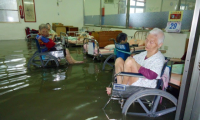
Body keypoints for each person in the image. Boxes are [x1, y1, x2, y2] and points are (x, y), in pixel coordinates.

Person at [107, 28, 165, 95]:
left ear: (159, 44)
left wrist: (137, 66)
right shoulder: (144, 53)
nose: (147, 44)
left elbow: (152, 75)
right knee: (119, 60)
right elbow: (130, 59)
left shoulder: (159, 58)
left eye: (151, 42)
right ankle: (119, 86)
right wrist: (131, 59)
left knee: (130, 61)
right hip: (135, 80)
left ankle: (121, 90)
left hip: (144, 85)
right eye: (146, 40)